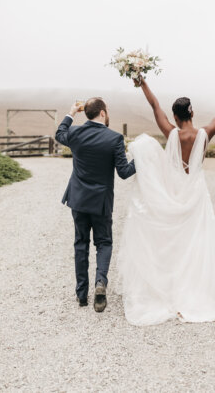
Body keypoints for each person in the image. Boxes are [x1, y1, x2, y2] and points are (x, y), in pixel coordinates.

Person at [117, 78, 215, 326]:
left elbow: (154, 104)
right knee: (197, 241)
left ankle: (170, 288)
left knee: (175, 241)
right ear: (192, 112)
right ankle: (194, 289)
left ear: (175, 116)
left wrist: (143, 82)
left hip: (173, 192)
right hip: (196, 193)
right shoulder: (205, 134)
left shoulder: (171, 134)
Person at [55, 98, 135, 312]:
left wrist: (71, 113)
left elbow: (59, 133)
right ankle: (100, 283)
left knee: (80, 243)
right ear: (101, 113)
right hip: (101, 202)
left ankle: (81, 295)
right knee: (104, 243)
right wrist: (141, 159)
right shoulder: (114, 138)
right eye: (106, 110)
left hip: (78, 200)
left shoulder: (75, 133)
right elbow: (125, 172)